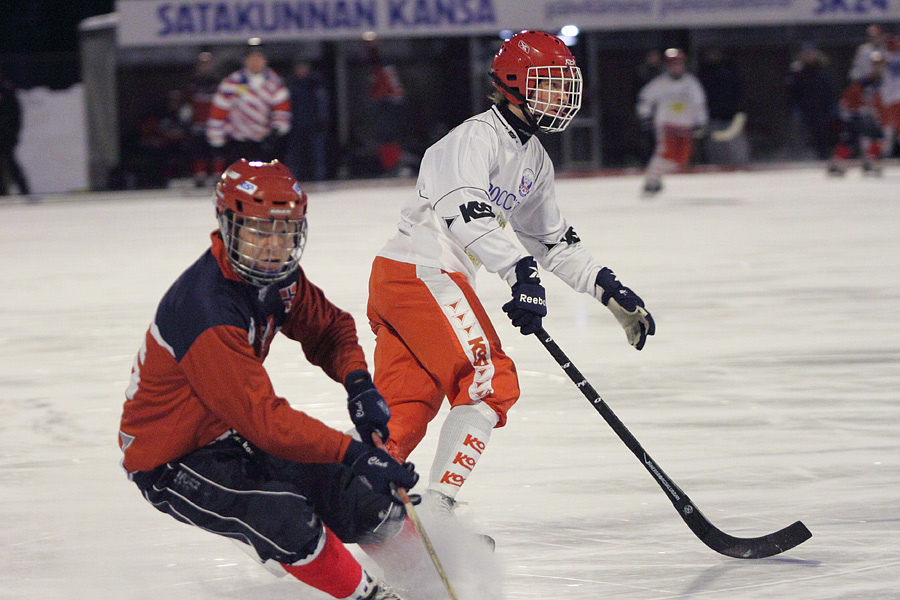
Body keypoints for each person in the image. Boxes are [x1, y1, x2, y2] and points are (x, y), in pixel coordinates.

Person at [364, 31, 655, 518]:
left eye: (566, 85)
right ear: (516, 83)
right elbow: (463, 207)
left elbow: (552, 241)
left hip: (413, 279)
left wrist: (607, 289)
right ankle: (438, 510)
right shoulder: (474, 138)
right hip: (421, 271)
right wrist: (519, 273)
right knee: (490, 380)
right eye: (550, 84)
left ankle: (356, 495)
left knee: (408, 405)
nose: (562, 97)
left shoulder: (534, 159)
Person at [118, 159, 418, 600]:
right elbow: (265, 421)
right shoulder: (206, 311)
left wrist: (360, 386)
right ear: (227, 226)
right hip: (174, 457)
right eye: (259, 232)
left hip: (231, 428)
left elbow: (330, 328)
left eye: (285, 232)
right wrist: (354, 452)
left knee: (360, 496)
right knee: (286, 519)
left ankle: (426, 570)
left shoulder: (278, 280)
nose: (274, 246)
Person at [636, 47, 709, 196]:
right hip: (666, 125)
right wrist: (645, 115)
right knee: (665, 154)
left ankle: (654, 177)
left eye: (678, 63)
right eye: (672, 64)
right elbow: (645, 99)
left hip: (685, 126)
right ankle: (651, 181)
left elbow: (699, 104)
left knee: (681, 159)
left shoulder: (691, 83)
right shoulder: (660, 83)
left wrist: (701, 122)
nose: (676, 67)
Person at [207, 47, 291, 167]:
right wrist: (217, 140)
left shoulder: (275, 82)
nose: (255, 62)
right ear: (245, 61)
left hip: (265, 142)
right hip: (237, 143)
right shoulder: (232, 82)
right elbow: (218, 111)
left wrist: (276, 132)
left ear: (265, 61)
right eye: (252, 59)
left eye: (259, 59)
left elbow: (282, 111)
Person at [828, 50, 887, 176]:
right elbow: (852, 95)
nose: (879, 67)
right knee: (856, 138)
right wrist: (856, 107)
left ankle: (840, 163)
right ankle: (864, 162)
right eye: (876, 64)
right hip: (856, 113)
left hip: (861, 113)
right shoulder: (865, 80)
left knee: (867, 137)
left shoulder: (878, 80)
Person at [786, 43, 840, 160]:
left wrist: (832, 105)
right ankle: (802, 157)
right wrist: (795, 107)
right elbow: (793, 92)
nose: (809, 56)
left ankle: (824, 157)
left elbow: (830, 89)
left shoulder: (822, 68)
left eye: (811, 53)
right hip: (805, 108)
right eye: (807, 54)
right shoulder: (798, 71)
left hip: (822, 108)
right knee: (806, 134)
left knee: (824, 134)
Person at [284, 61, 330, 182]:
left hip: (314, 125)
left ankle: (319, 178)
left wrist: (321, 120)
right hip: (296, 125)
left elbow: (322, 104)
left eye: (303, 68)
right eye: (299, 68)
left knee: (317, 154)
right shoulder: (291, 85)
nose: (301, 71)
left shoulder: (315, 84)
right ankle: (294, 179)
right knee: (296, 154)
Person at [182, 51, 222, 187]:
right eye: (203, 64)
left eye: (208, 63)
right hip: (198, 124)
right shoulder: (193, 83)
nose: (205, 66)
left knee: (217, 150)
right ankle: (200, 176)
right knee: (199, 150)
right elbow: (187, 102)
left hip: (215, 124)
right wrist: (187, 118)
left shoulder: (218, 82)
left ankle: (218, 175)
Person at [0, 68, 31, 196]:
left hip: (6, 135)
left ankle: (24, 191)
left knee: (11, 163)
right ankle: (3, 192)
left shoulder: (7, 92)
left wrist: (13, 134)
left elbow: (15, 115)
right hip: (6, 134)